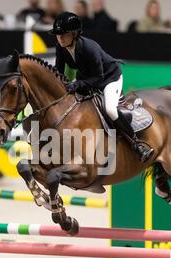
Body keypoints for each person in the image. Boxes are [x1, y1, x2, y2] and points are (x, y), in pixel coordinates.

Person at [51, 12, 154, 162]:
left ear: (74, 33)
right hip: (86, 76)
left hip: (109, 78)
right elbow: (58, 71)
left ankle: (137, 143)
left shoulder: (89, 48)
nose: (59, 38)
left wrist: (77, 84)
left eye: (63, 34)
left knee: (110, 109)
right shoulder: (60, 47)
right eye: (57, 35)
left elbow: (99, 79)